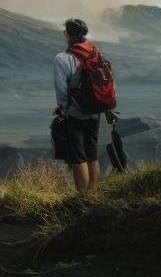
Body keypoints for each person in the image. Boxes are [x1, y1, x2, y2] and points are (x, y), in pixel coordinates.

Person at [53, 18, 103, 194]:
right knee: (92, 154)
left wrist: (62, 109)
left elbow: (61, 90)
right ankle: (93, 193)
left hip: (75, 113)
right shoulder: (94, 53)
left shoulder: (62, 58)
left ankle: (82, 196)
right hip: (95, 111)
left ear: (68, 34)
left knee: (78, 156)